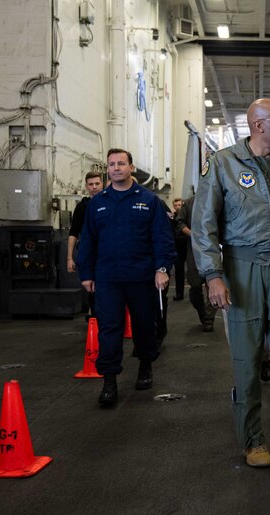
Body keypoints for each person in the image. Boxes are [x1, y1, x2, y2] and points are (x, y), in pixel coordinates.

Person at [193, 98, 270, 471]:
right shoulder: (222, 165)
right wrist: (213, 275)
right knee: (246, 358)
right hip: (240, 265)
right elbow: (203, 226)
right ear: (258, 125)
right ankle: (252, 440)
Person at [78, 149, 176, 407]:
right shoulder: (98, 203)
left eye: (121, 163)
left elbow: (162, 238)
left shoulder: (148, 200)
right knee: (110, 329)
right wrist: (86, 273)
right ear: (107, 170)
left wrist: (162, 269)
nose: (116, 168)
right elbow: (88, 241)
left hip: (141, 276)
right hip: (108, 278)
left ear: (131, 167)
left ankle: (145, 365)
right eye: (112, 164)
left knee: (145, 324)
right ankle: (109, 380)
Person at [177, 193, 216, 332]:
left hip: (214, 248)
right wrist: (192, 234)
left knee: (215, 285)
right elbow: (179, 222)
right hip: (194, 251)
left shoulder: (216, 199)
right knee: (195, 287)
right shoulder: (188, 203)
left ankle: (209, 318)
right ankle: (203, 313)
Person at [67, 172, 104, 317]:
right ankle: (95, 318)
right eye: (91, 184)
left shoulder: (111, 202)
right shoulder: (83, 207)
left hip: (109, 253)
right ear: (86, 186)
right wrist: (70, 257)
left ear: (102, 183)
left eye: (97, 184)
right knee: (92, 288)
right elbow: (73, 232)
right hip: (90, 254)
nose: (94, 187)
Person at [171, 197, 187, 301]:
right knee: (179, 271)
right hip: (177, 247)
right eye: (176, 205)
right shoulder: (172, 218)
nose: (177, 207)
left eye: (179, 205)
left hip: (187, 244)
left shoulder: (186, 217)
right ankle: (179, 294)